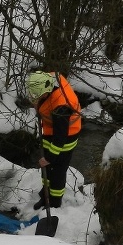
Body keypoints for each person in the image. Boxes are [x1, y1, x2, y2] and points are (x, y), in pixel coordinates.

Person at [26, 70, 82, 209]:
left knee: (57, 171)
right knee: (47, 169)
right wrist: (38, 103)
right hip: (51, 132)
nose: (36, 98)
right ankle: (45, 195)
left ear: (47, 90)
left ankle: (55, 202)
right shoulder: (47, 80)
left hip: (65, 139)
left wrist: (49, 157)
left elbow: (60, 138)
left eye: (39, 96)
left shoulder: (61, 108)